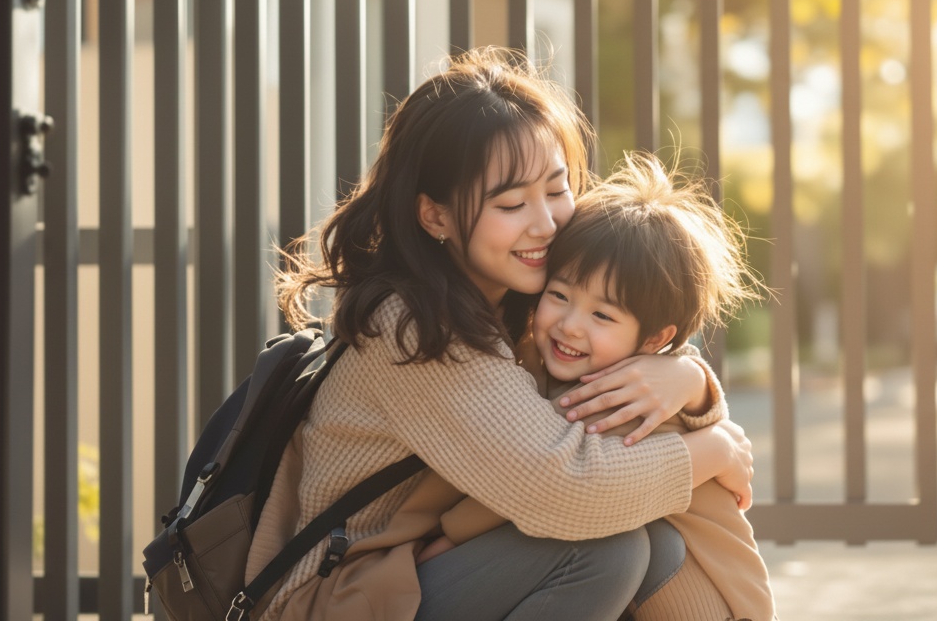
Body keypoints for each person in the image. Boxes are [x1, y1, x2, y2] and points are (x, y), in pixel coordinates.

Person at [245, 47, 755, 621]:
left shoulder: (520, 299)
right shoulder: (415, 328)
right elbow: (569, 487)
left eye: (557, 189)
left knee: (653, 542)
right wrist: (712, 448)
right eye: (512, 203)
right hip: (337, 598)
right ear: (434, 216)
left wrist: (688, 378)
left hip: (408, 575)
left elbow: (608, 392)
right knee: (604, 550)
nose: (545, 223)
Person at [418, 153, 778, 621]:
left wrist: (450, 537)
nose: (570, 326)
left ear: (654, 340)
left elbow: (543, 485)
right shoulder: (544, 359)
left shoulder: (620, 397)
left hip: (707, 597)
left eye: (602, 315)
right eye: (560, 296)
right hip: (656, 584)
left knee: (610, 542)